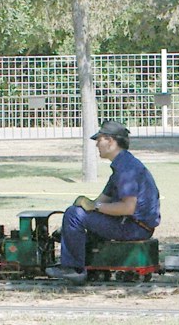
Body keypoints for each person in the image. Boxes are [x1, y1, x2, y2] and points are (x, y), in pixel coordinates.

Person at [46, 120, 161, 285]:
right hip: (134, 224)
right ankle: (82, 256)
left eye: (99, 140)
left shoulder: (126, 169)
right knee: (76, 212)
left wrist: (93, 207)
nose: (97, 145)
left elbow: (128, 207)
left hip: (134, 227)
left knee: (73, 214)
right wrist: (85, 204)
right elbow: (102, 199)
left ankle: (74, 268)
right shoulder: (122, 165)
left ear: (111, 141)